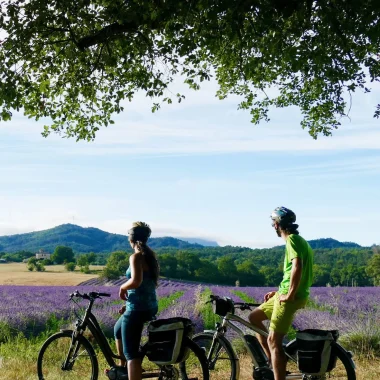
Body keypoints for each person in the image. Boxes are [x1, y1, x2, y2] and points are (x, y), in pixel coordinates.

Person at [248, 207, 313, 380]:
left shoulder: (292, 240)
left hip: (291, 298)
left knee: (273, 341)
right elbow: (293, 271)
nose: (273, 227)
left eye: (273, 223)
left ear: (277, 225)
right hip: (284, 293)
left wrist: (289, 294)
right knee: (253, 318)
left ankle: (279, 371)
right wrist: (278, 292)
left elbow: (297, 267)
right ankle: (274, 362)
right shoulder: (299, 241)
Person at [113, 222, 159, 380]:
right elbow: (145, 286)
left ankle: (131, 368)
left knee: (131, 354)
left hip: (138, 309)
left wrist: (123, 288)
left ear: (131, 238)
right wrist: (127, 304)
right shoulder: (149, 256)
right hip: (149, 306)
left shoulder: (136, 256)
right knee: (117, 330)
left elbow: (136, 281)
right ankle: (122, 369)